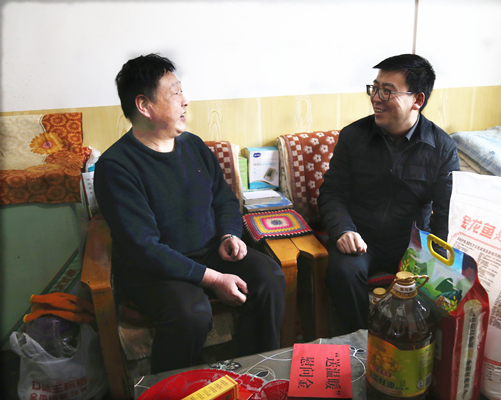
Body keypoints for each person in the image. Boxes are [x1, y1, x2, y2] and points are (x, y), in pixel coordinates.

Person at [94, 54, 285, 374]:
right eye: (175, 92)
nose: (185, 100)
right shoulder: (116, 167)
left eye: (181, 91)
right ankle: (169, 387)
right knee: (191, 312)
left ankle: (254, 373)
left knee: (269, 277)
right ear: (144, 105)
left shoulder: (193, 146)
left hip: (210, 250)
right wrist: (213, 278)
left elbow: (224, 199)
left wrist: (229, 234)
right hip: (155, 270)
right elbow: (144, 247)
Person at [317, 54, 460, 334]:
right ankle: (358, 342)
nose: (376, 98)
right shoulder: (353, 136)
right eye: (374, 88)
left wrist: (439, 258)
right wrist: (343, 229)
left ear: (417, 100)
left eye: (387, 91)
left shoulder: (442, 147)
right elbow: (332, 192)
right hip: (360, 238)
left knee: (445, 283)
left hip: (411, 244)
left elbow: (447, 211)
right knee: (343, 272)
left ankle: (414, 344)